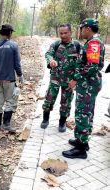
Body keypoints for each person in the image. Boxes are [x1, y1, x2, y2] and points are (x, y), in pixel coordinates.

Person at [62, 18, 105, 159]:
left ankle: (81, 149)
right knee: (86, 112)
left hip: (88, 84)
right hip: (88, 84)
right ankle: (82, 140)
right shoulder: (93, 42)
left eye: (82, 28)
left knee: (82, 114)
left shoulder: (93, 43)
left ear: (88, 28)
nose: (81, 31)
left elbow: (92, 67)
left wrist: (75, 79)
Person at [40, 24, 82, 132]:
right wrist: (51, 60)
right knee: (49, 99)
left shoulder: (76, 46)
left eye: (65, 33)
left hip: (68, 81)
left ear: (70, 32)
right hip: (55, 78)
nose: (63, 35)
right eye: (61, 33)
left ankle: (62, 123)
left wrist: (75, 80)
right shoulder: (56, 44)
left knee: (66, 103)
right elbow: (48, 54)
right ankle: (45, 119)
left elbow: (80, 64)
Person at [0, 24, 24, 132]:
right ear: (10, 33)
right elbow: (17, 64)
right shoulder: (14, 46)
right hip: (9, 79)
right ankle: (7, 125)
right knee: (10, 101)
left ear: (1, 33)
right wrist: (20, 75)